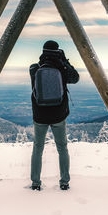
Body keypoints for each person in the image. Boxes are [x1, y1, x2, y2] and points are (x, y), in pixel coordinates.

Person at [29, 40, 79, 191]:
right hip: (59, 115)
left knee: (38, 148)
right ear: (58, 51)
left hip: (40, 115)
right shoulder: (62, 68)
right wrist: (64, 61)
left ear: (43, 52)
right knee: (62, 148)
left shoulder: (34, 68)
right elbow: (75, 78)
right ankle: (64, 182)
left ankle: (36, 183)